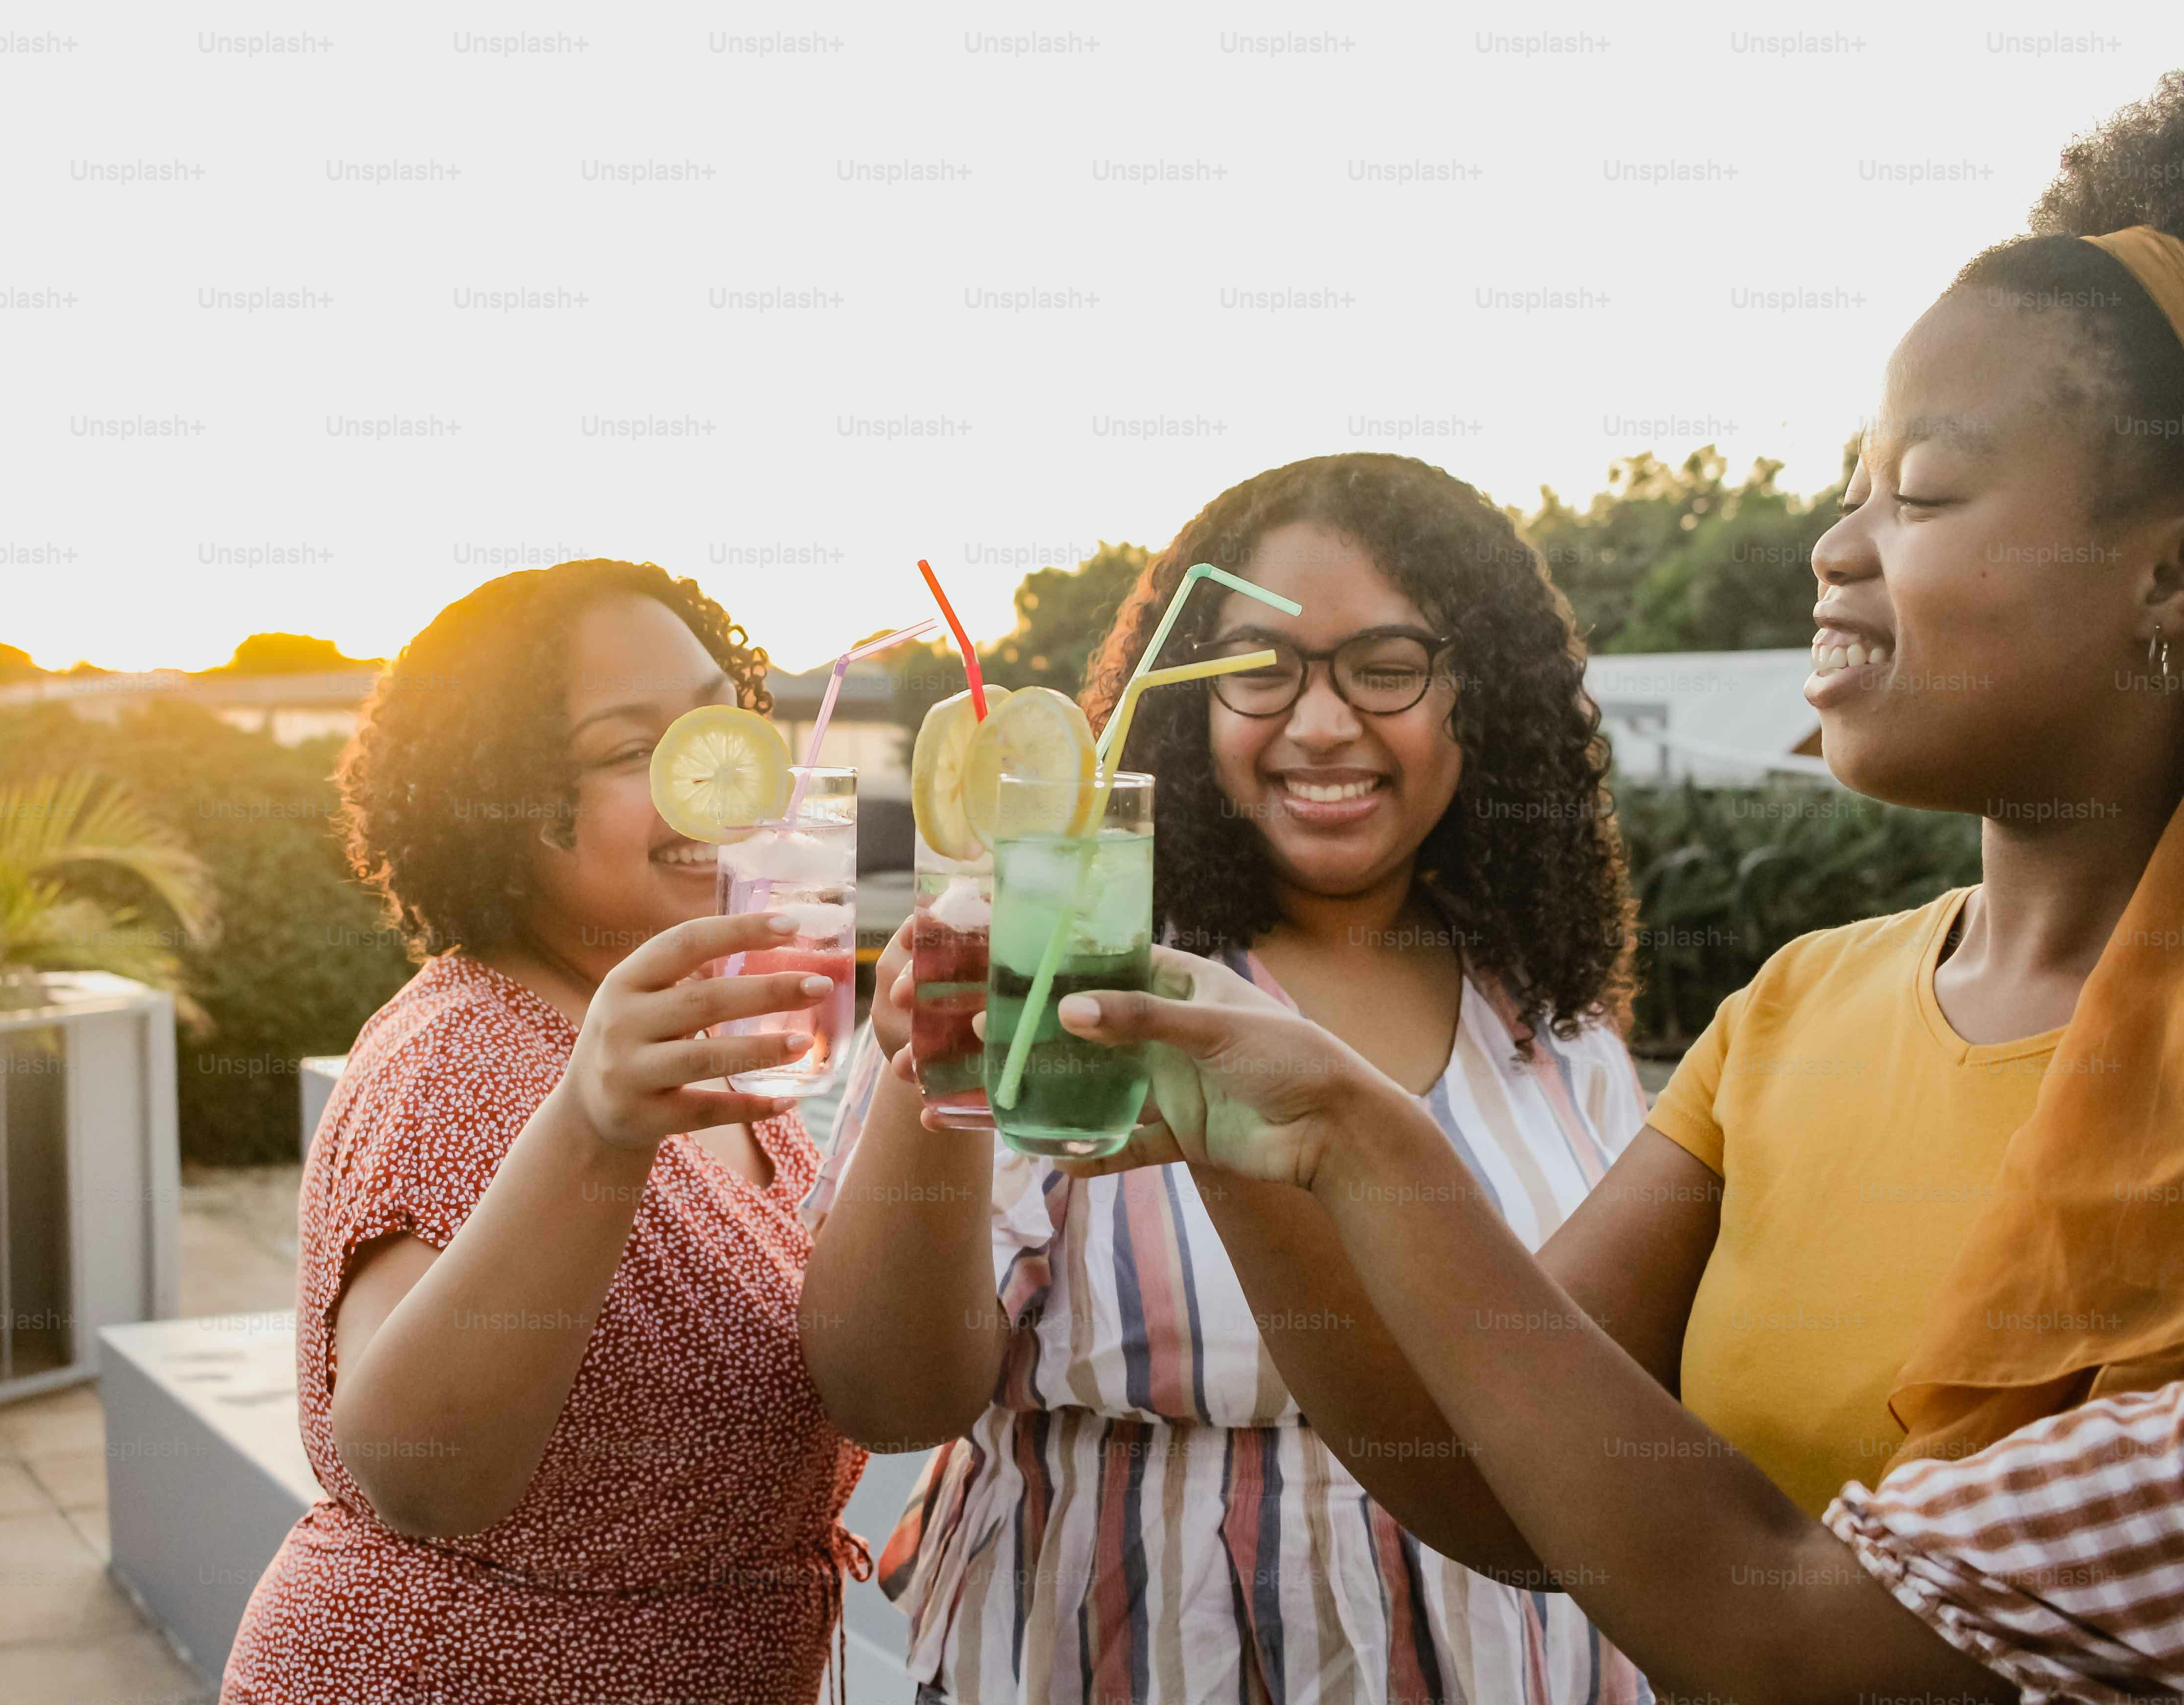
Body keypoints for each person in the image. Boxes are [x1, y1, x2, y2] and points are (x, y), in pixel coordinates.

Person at [1016, 71, 2184, 1702]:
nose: (1831, 549)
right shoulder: (1798, 1004)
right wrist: (1255, 1142)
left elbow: (1790, 1634)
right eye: (1849, 486)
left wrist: (1358, 1132)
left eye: (1917, 492)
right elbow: (1478, 1464)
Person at [802, 455, 1652, 1701]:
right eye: (1261, 670)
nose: (1319, 724)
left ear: (1486, 697)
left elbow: (1618, 1410)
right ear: (1191, 703)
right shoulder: (1075, 973)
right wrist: (930, 1082)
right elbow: (885, 1397)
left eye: (1387, 668)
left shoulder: (1557, 1027)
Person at [221, 560, 869, 1705]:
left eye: (724, 723)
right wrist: (594, 1132)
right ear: (502, 799)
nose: (714, 784)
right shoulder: (466, 1055)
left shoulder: (706, 1040)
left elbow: (885, 1398)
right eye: (633, 750)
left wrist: (925, 1083)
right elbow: (415, 1474)